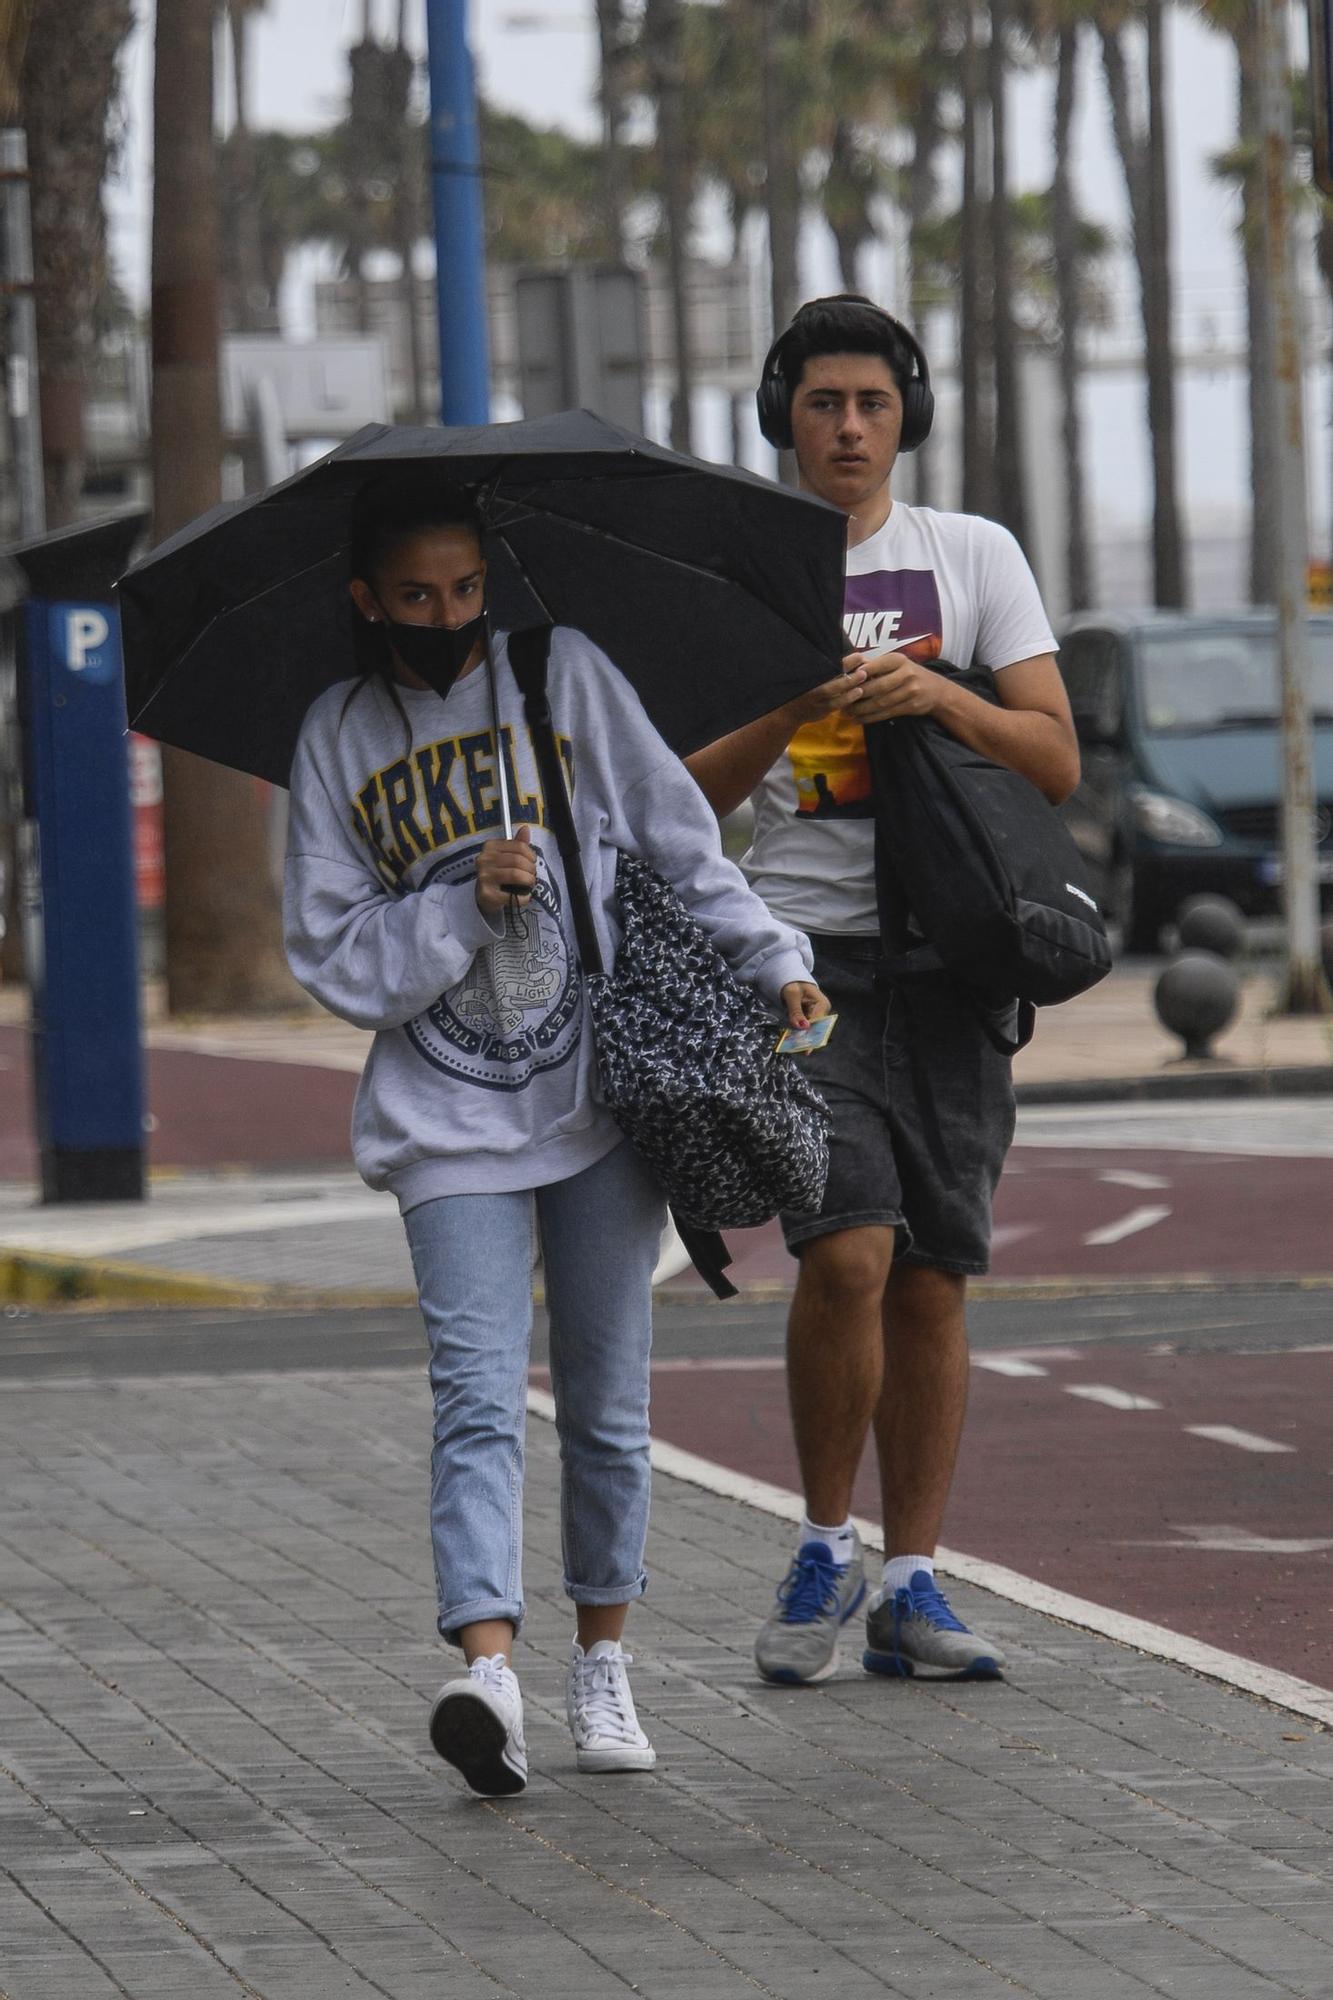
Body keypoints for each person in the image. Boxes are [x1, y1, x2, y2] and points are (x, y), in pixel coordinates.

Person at [283, 474, 828, 1794]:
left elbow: (676, 840)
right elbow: (329, 952)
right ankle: (488, 1675)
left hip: (593, 1102)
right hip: (441, 1120)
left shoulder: (562, 676)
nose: (444, 616)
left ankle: (603, 1664)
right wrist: (461, 907)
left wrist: (776, 964)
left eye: (464, 590)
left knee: (604, 1404)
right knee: (475, 1400)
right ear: (367, 599)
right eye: (414, 596)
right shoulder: (336, 735)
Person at [686, 295, 1080, 1685]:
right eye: (819, 404)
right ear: (779, 418)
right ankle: (818, 1541)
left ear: (905, 412)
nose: (846, 427)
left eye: (869, 402)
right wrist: (788, 710)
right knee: (843, 1246)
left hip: (951, 957)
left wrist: (935, 697)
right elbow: (682, 794)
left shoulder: (969, 556)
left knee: (930, 1275)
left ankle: (913, 1583)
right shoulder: (740, 573)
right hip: (801, 958)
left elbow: (1050, 757)